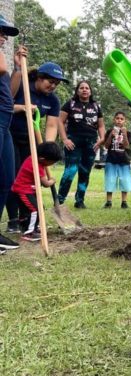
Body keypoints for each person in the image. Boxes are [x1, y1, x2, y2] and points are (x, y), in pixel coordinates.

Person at [6, 62, 66, 234]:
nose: (53, 86)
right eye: (50, 81)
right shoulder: (22, 86)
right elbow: (5, 104)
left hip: (32, 142)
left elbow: (52, 125)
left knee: (31, 180)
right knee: (14, 177)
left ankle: (27, 218)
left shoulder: (53, 100)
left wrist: (46, 148)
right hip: (10, 136)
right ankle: (13, 219)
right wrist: (22, 108)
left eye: (56, 83)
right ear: (39, 78)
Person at [57, 80, 106, 209]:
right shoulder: (70, 104)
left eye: (87, 88)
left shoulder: (95, 106)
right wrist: (64, 139)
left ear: (90, 91)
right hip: (73, 142)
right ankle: (59, 200)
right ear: (77, 91)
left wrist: (102, 139)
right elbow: (60, 122)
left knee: (85, 172)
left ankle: (80, 201)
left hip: (91, 143)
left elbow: (101, 126)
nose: (84, 90)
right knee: (70, 171)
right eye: (81, 88)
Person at [11, 142, 62, 242]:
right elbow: (46, 184)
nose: (52, 164)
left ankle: (28, 226)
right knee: (36, 209)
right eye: (52, 162)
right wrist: (52, 180)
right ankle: (30, 233)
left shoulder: (34, 159)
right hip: (23, 191)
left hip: (25, 190)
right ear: (43, 159)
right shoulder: (36, 166)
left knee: (31, 210)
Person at [0, 15, 21, 252]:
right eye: (2, 32)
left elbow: (11, 93)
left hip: (5, 122)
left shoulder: (4, 66)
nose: (5, 38)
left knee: (6, 178)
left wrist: (17, 67)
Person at [103, 112, 131, 209]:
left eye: (121, 119)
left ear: (124, 121)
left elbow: (127, 146)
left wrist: (124, 134)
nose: (119, 120)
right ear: (114, 120)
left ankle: (124, 202)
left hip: (124, 160)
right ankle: (109, 201)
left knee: (124, 180)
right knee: (110, 180)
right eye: (117, 118)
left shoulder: (128, 133)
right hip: (111, 159)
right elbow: (106, 146)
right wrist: (111, 136)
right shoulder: (109, 131)